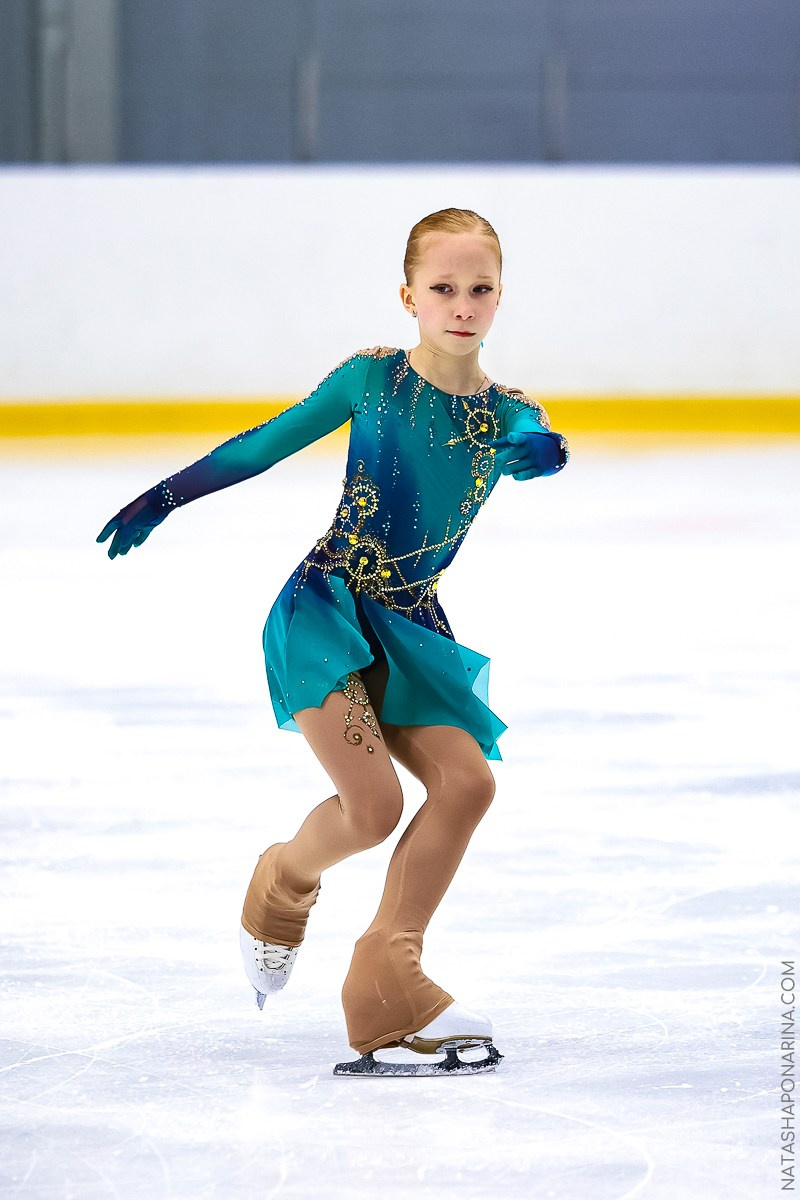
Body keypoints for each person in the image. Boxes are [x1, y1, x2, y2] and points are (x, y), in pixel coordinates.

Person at [98, 207, 569, 1075]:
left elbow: (535, 440)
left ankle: (389, 973)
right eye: (442, 289)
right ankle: (281, 883)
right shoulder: (372, 380)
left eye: (480, 289)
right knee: (373, 809)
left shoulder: (507, 413)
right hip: (323, 610)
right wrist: (166, 494)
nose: (461, 305)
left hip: (411, 626)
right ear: (408, 296)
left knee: (467, 784)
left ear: (501, 298)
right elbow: (265, 445)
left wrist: (542, 450)